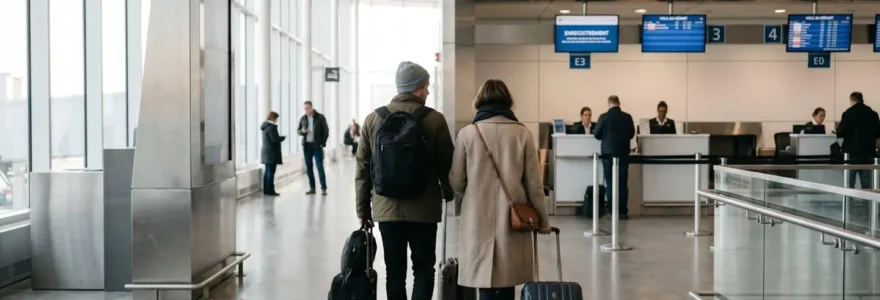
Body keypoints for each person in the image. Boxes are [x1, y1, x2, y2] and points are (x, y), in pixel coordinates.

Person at [355, 61, 455, 300]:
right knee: (423, 268)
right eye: (426, 86)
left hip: (386, 209)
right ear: (417, 88)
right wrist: (449, 192)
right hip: (424, 209)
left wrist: (363, 209)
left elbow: (362, 168)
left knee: (394, 271)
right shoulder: (434, 119)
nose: (428, 91)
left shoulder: (373, 119)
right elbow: (447, 163)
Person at [449, 79, 552, 300]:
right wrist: (543, 220)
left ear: (479, 101)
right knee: (507, 280)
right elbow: (534, 185)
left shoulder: (467, 134)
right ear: (507, 101)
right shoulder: (522, 134)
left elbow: (456, 182)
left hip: (477, 219)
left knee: (483, 280)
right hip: (513, 220)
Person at [593, 95, 635, 220]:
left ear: (609, 104)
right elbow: (631, 133)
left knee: (610, 183)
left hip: (608, 154)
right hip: (623, 153)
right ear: (619, 103)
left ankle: (612, 212)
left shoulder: (603, 117)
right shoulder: (627, 117)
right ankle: (623, 212)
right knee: (622, 182)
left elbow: (596, 134)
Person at [836, 92, 880, 189]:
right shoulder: (873, 114)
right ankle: (867, 203)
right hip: (868, 154)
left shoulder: (848, 114)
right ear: (862, 99)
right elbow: (878, 133)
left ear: (852, 101)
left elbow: (840, 132)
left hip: (851, 154)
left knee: (849, 184)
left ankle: (849, 203)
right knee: (867, 184)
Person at [297, 101, 330, 195]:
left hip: (317, 146)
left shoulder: (320, 117)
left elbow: (326, 131)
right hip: (307, 146)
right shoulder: (303, 118)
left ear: (311, 107)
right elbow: (298, 131)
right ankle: (312, 188)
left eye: (307, 108)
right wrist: (302, 131)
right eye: (305, 108)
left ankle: (323, 188)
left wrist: (322, 143)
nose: (306, 110)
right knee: (309, 168)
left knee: (319, 166)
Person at [260, 111, 286, 196]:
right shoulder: (271, 127)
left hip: (266, 153)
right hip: (271, 153)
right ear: (273, 118)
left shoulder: (265, 127)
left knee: (267, 172)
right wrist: (282, 138)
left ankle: (266, 190)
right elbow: (274, 140)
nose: (277, 120)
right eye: (276, 118)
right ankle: (270, 191)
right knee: (271, 172)